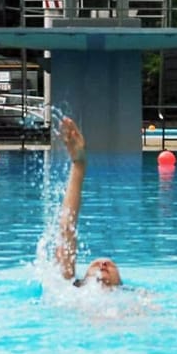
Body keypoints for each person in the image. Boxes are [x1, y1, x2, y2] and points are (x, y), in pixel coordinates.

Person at [55, 116, 122, 288]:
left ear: (120, 283)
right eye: (95, 265)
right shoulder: (72, 293)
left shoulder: (135, 301)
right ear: (82, 281)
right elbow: (66, 229)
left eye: (111, 265)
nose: (103, 265)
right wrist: (79, 164)